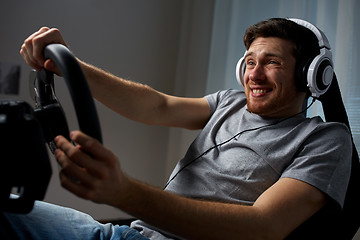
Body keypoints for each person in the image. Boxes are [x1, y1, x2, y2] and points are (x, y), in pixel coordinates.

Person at [1, 18, 352, 239]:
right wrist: (71, 66)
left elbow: (265, 225)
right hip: (127, 233)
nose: (254, 75)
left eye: (271, 62)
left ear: (311, 74)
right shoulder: (230, 102)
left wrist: (123, 192)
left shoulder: (324, 140)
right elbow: (157, 106)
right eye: (249, 63)